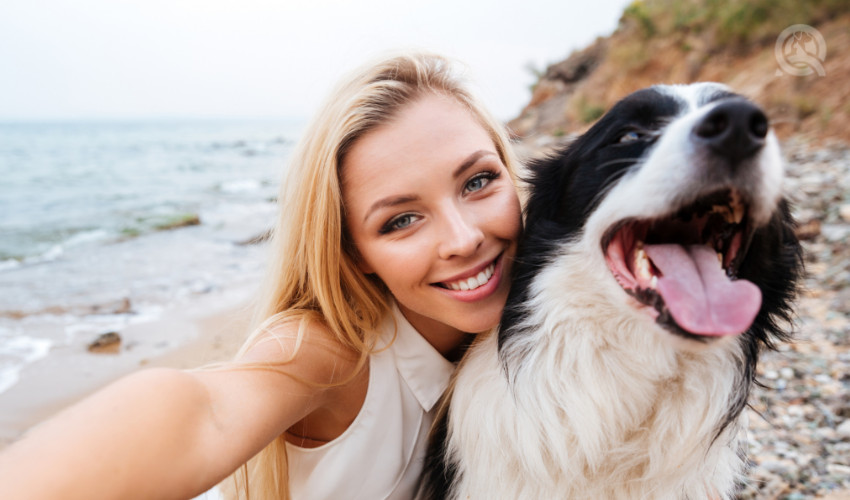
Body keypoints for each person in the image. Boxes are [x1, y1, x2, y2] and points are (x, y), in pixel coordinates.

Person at [0, 51, 523, 500]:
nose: (464, 239)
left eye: (478, 181)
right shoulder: (331, 353)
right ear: (354, 251)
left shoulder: (561, 301)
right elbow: (203, 413)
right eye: (401, 220)